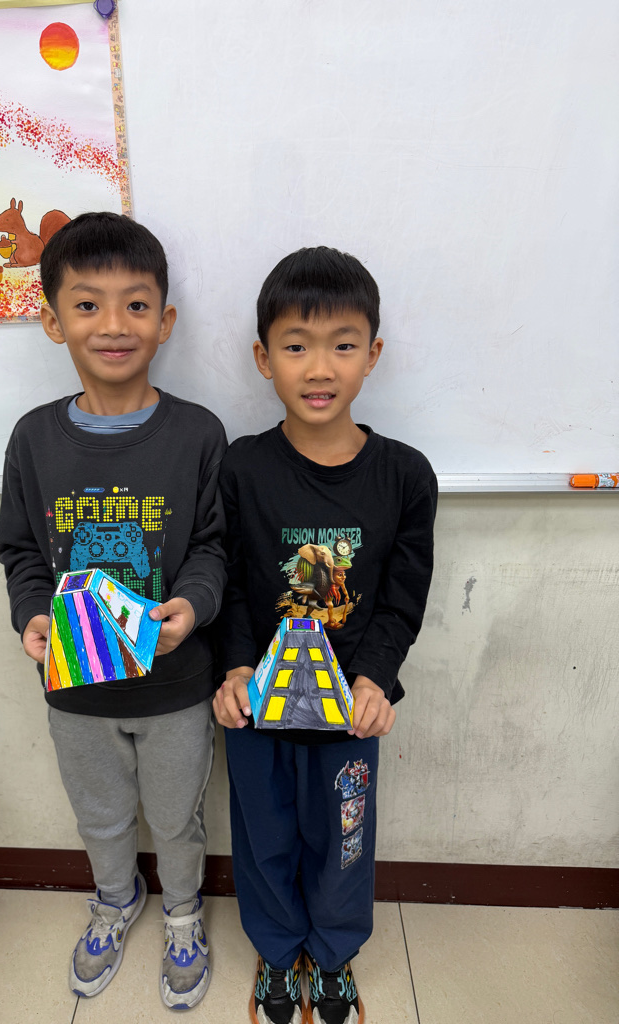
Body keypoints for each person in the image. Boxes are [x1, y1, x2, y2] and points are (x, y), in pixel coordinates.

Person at [0, 212, 226, 1010]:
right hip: (76, 688)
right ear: (52, 320)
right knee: (99, 815)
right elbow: (22, 550)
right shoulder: (33, 439)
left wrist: (191, 608)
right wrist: (31, 614)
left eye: (136, 304)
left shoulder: (198, 433)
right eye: (87, 304)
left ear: (165, 320)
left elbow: (213, 546)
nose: (114, 324)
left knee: (176, 816)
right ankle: (116, 899)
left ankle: (184, 914)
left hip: (176, 686)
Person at [214, 246, 437, 1024]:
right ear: (263, 358)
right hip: (258, 710)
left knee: (344, 841)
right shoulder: (241, 468)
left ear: (372, 355)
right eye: (295, 345)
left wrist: (374, 680)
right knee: (264, 837)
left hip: (349, 714)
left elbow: (403, 596)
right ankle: (279, 953)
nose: (319, 367)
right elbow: (229, 582)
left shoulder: (404, 475)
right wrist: (234, 670)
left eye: (343, 345)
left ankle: (335, 954)